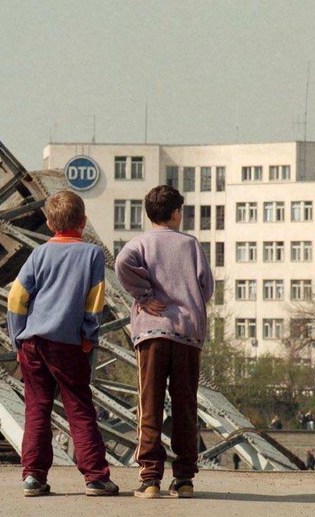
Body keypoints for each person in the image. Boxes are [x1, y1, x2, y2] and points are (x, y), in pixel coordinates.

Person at [7, 190, 118, 498]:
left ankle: (33, 477)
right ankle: (95, 477)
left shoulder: (38, 254)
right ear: (83, 222)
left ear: (48, 223)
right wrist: (88, 337)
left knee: (37, 408)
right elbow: (94, 303)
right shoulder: (92, 254)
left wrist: (18, 337)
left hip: (33, 342)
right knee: (79, 408)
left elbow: (17, 298)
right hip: (68, 345)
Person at [115, 185, 213, 499]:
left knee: (150, 403)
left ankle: (150, 478)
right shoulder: (191, 245)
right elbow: (206, 286)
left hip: (152, 333)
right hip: (186, 335)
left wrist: (145, 296)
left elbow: (121, 265)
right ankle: (184, 478)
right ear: (175, 213)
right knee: (185, 404)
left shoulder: (140, 243)